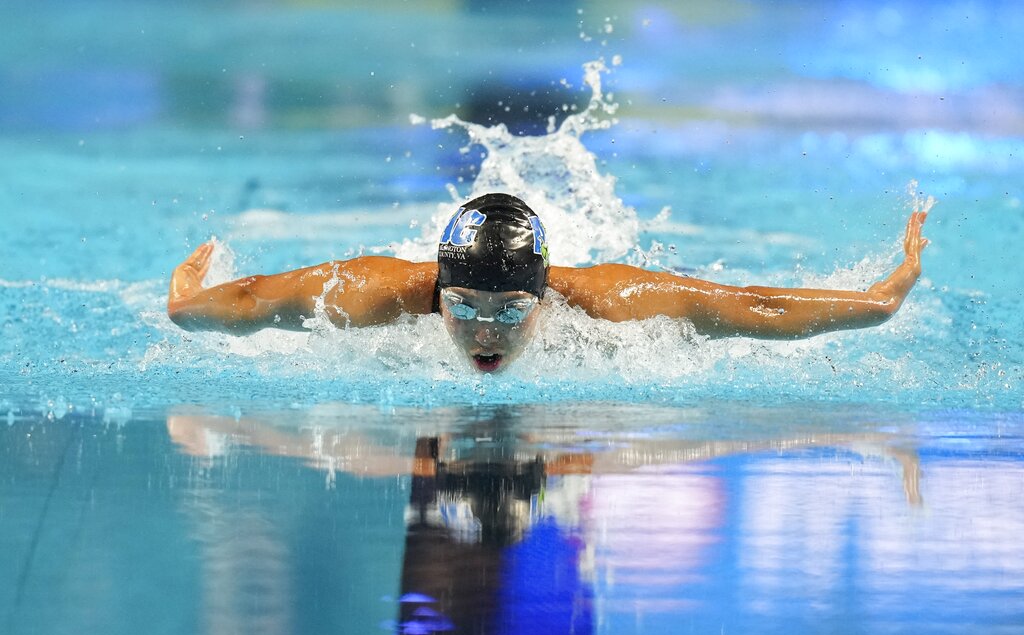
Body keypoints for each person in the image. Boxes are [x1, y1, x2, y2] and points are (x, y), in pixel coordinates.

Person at [168, 192, 930, 373]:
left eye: (510, 310)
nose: (483, 331)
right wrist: (184, 305)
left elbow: (747, 305)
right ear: (437, 287)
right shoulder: (372, 295)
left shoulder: (611, 304)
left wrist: (881, 297)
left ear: (543, 295)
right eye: (463, 305)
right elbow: (250, 299)